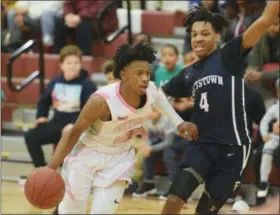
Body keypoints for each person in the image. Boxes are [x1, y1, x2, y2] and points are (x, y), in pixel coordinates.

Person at [45, 43, 197, 214]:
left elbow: (161, 101)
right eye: (139, 73)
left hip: (118, 158)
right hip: (87, 154)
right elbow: (74, 132)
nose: (145, 78)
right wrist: (51, 167)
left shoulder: (151, 90)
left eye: (147, 73)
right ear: (124, 75)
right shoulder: (101, 101)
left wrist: (179, 123)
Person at [160, 2, 280, 215]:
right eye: (194, 34)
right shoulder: (187, 75)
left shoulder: (229, 55)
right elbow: (157, 96)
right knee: (174, 198)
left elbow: (265, 20)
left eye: (204, 33)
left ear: (217, 36)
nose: (198, 38)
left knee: (205, 212)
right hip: (201, 146)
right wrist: (178, 123)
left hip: (232, 150)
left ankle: (236, 211)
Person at [24, 45, 96, 168]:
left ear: (80, 64)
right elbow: (44, 101)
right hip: (57, 124)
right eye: (69, 63)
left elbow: (88, 111)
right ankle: (42, 171)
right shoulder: (56, 81)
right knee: (31, 136)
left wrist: (74, 125)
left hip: (76, 127)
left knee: (68, 144)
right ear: (61, 65)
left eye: (76, 63)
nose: (73, 66)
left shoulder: (87, 84)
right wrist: (41, 116)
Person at [257, 78, 279, 199]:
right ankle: (263, 182)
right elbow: (264, 121)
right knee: (267, 149)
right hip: (276, 137)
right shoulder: (276, 107)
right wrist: (265, 134)